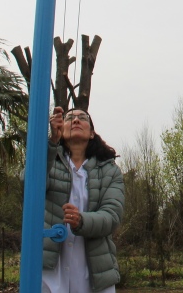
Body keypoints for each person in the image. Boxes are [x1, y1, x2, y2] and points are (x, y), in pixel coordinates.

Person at [43, 106, 125, 293]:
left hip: (94, 274)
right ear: (61, 130)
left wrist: (82, 221)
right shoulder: (48, 162)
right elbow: (29, 183)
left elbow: (112, 215)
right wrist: (51, 144)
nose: (76, 120)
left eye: (83, 118)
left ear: (92, 134)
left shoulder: (110, 171)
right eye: (69, 117)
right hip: (50, 272)